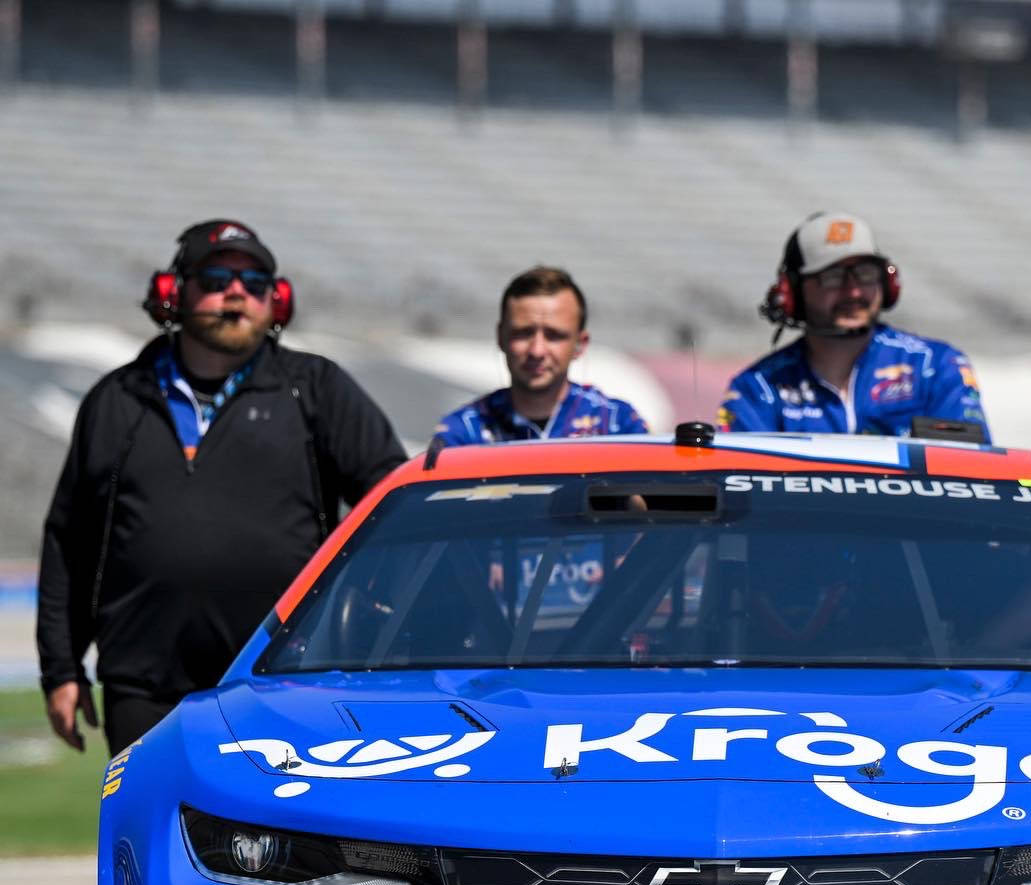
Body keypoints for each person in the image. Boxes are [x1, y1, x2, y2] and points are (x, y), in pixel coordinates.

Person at [38, 219, 405, 756]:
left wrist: (378, 603)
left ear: (276, 301)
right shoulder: (116, 400)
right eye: (216, 278)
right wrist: (61, 669)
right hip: (144, 685)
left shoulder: (316, 389)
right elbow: (68, 544)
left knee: (290, 837)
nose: (237, 293)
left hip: (285, 679)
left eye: (255, 283)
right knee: (147, 835)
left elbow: (394, 505)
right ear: (173, 292)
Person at [716, 212, 990, 438]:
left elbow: (974, 473)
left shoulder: (934, 366)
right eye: (833, 277)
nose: (854, 292)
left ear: (887, 284)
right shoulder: (758, 387)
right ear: (792, 294)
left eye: (865, 274)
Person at [434, 266, 648, 444]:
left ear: (580, 345)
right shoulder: (463, 431)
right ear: (501, 337)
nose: (537, 351)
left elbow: (651, 495)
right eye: (523, 333)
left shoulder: (617, 424)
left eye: (554, 335)